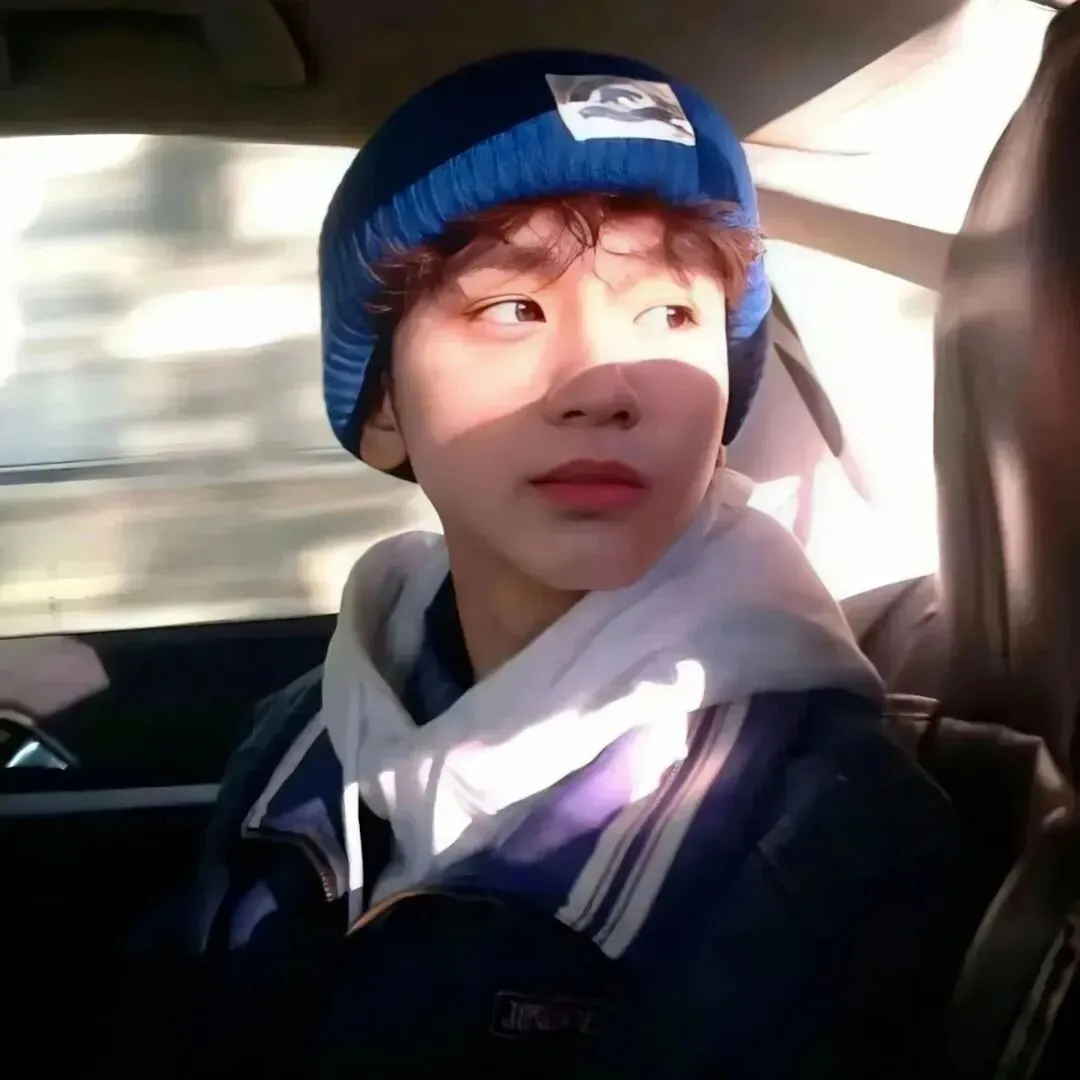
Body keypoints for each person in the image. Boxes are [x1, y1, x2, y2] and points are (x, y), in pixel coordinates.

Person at [114, 49, 973, 1079]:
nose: (605, 387)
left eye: (672, 316)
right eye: (513, 310)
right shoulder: (303, 735)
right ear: (383, 407)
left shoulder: (821, 829)